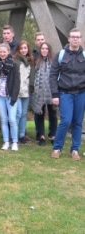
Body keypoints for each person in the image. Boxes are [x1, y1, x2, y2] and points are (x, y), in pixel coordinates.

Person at [50, 28, 85, 160]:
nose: (75, 39)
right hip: (65, 93)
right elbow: (53, 75)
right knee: (65, 120)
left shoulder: (84, 55)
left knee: (77, 122)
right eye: (73, 37)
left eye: (77, 37)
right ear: (69, 39)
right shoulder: (61, 55)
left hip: (81, 93)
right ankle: (57, 148)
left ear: (80, 39)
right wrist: (55, 94)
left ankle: (75, 150)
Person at [0, 43, 20, 151]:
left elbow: (16, 81)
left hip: (10, 95)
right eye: (0, 52)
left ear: (8, 52)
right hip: (0, 95)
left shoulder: (14, 64)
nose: (2, 53)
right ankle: (6, 141)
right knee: (3, 119)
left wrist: (14, 97)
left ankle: (14, 142)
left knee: (12, 119)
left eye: (4, 51)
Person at [32, 42, 57, 147]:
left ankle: (53, 135)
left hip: (51, 92)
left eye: (46, 48)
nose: (44, 50)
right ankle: (41, 135)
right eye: (43, 48)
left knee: (52, 114)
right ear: (40, 50)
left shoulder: (54, 62)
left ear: (49, 50)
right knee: (40, 114)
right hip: (39, 92)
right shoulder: (37, 61)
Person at [13, 40, 34, 144]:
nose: (23, 50)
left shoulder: (31, 61)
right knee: (18, 113)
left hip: (26, 91)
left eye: (25, 48)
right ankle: (14, 135)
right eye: (21, 48)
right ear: (18, 49)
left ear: (28, 49)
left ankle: (22, 135)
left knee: (24, 114)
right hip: (17, 91)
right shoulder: (15, 60)